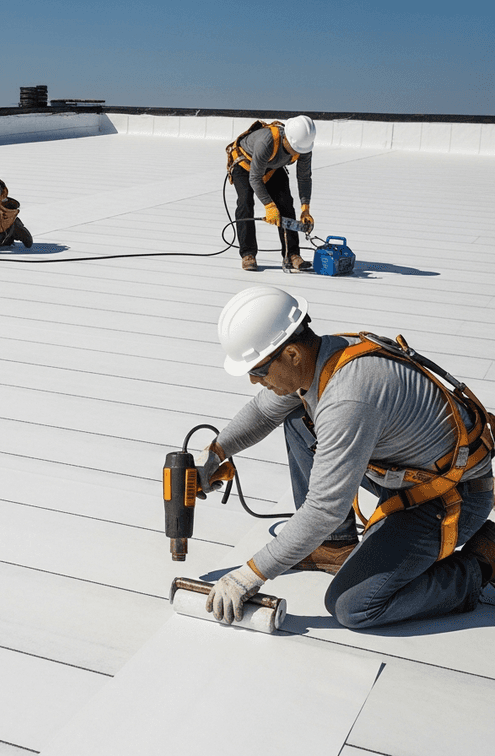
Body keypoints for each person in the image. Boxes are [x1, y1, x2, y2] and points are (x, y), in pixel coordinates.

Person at [201, 286, 495, 629]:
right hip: (407, 470)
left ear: (292, 354)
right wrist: (214, 453)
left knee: (354, 606)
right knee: (297, 417)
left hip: (447, 497)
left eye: (260, 370)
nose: (254, 379)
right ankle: (333, 545)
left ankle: (482, 561)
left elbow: (325, 508)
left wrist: (248, 576)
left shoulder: (348, 399)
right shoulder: (327, 355)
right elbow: (265, 413)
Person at [226, 116, 316, 272]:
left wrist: (305, 208)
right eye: (295, 149)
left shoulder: (304, 147)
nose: (297, 153)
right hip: (244, 164)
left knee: (285, 203)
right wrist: (269, 205)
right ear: (287, 138)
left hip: (272, 167)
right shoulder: (266, 142)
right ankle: (248, 254)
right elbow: (254, 178)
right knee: (245, 202)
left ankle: (292, 254)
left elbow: (304, 177)